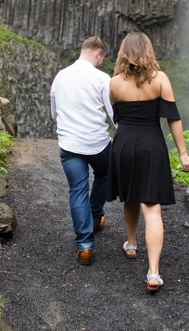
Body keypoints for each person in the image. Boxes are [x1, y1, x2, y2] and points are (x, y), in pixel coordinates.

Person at [107, 32, 189, 292]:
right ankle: (153, 273)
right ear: (148, 51)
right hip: (151, 145)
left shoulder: (113, 84)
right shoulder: (161, 79)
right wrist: (182, 153)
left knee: (130, 196)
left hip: (122, 145)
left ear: (123, 52)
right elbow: (172, 118)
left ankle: (131, 245)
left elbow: (117, 117)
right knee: (151, 207)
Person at [50, 36, 116, 266]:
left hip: (69, 145)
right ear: (98, 53)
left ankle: (85, 247)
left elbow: (54, 112)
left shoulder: (60, 76)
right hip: (97, 143)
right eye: (102, 58)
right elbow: (113, 114)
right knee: (106, 173)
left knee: (77, 189)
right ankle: (96, 216)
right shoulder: (101, 78)